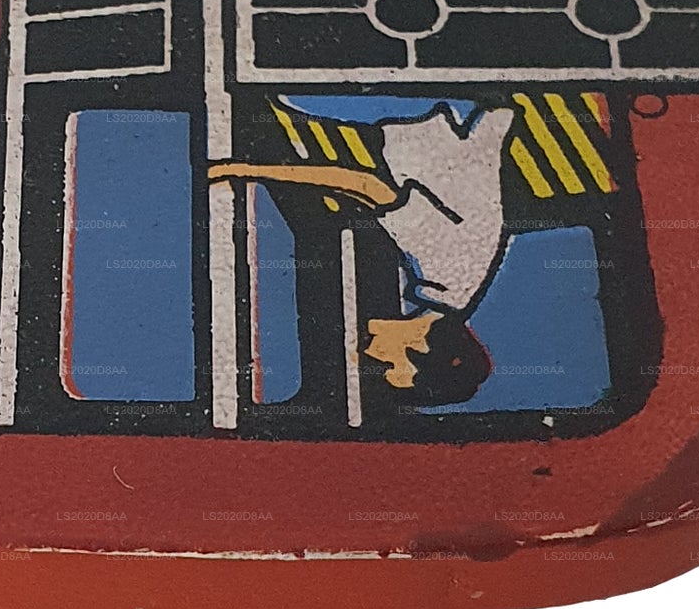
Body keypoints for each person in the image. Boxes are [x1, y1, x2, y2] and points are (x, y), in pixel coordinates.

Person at [212, 95, 514, 407]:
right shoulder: (446, 272)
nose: (371, 354)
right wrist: (243, 170)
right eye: (388, 362)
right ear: (420, 345)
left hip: (422, 136)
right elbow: (366, 185)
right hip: (417, 120)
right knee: (277, 95)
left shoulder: (440, 294)